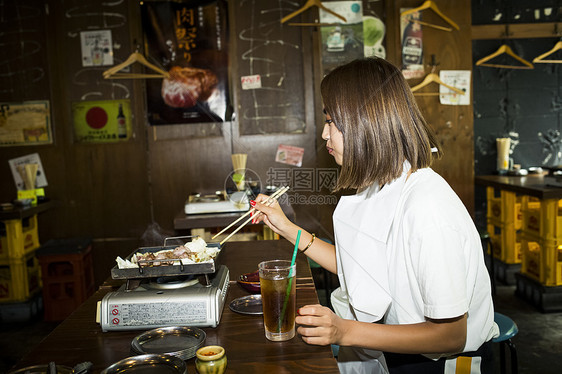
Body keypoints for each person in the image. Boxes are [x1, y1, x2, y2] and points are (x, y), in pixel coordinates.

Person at [250, 57, 499, 374]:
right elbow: (360, 268)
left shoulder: (427, 207)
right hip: (396, 351)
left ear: (365, 121)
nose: (325, 135)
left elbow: (450, 335)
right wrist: (285, 227)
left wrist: (344, 331)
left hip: (443, 363)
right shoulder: (380, 186)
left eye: (331, 122)